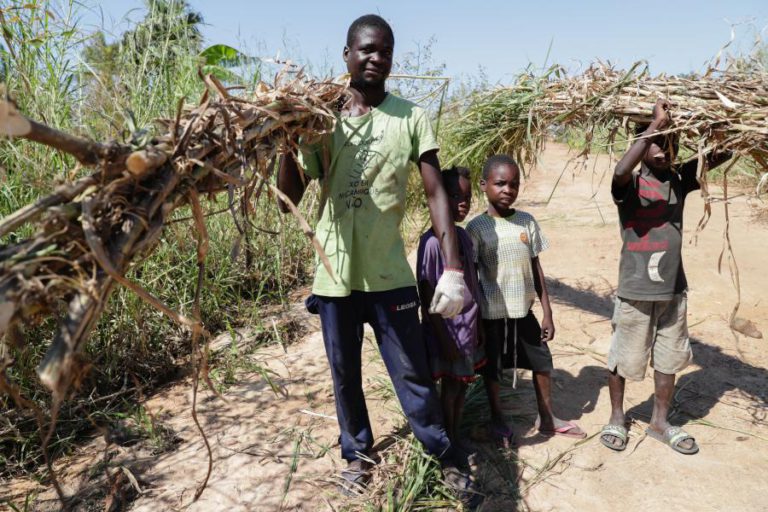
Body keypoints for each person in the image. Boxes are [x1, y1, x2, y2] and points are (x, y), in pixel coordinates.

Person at [277, 14, 481, 505]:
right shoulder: (321, 119)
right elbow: (288, 194)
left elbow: (436, 193)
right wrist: (286, 133)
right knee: (344, 372)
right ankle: (357, 454)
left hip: (389, 274)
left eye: (385, 50)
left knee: (410, 370)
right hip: (334, 276)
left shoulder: (410, 116)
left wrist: (452, 268)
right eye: (366, 49)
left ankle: (441, 451)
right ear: (346, 55)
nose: (376, 57)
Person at [600, 98, 731, 454]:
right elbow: (619, 171)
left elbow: (719, 157)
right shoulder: (628, 185)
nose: (663, 149)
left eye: (670, 142)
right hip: (635, 289)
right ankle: (616, 416)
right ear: (641, 144)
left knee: (670, 357)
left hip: (673, 288)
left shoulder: (677, 179)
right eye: (656, 142)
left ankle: (659, 421)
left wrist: (720, 128)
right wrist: (655, 125)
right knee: (623, 357)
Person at [466, 155, 585, 446]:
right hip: (492, 314)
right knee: (493, 369)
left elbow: (536, 267)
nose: (508, 189)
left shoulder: (526, 222)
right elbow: (471, 276)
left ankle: (547, 418)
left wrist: (547, 312)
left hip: (524, 311)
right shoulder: (477, 228)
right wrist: (474, 319)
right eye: (500, 183)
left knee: (542, 362)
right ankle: (498, 421)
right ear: (484, 185)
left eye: (514, 184)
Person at [417, 166, 486, 452]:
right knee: (449, 387)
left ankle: (455, 432)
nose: (463, 203)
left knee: (460, 386)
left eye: (467, 197)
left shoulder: (464, 237)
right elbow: (426, 295)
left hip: (467, 329)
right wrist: (444, 339)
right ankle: (449, 441)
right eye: (455, 196)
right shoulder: (432, 244)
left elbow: (471, 282)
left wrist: (478, 323)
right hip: (448, 333)